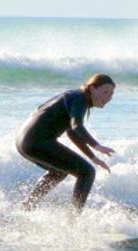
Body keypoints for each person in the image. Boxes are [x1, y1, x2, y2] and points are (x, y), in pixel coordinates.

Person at [16, 73, 116, 212]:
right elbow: (77, 126)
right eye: (105, 92)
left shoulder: (75, 97)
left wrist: (93, 157)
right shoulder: (80, 98)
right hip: (37, 140)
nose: (108, 98)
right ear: (92, 89)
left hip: (25, 142)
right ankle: (74, 220)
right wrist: (96, 145)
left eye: (111, 94)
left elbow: (72, 132)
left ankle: (27, 206)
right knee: (87, 172)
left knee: (59, 172)